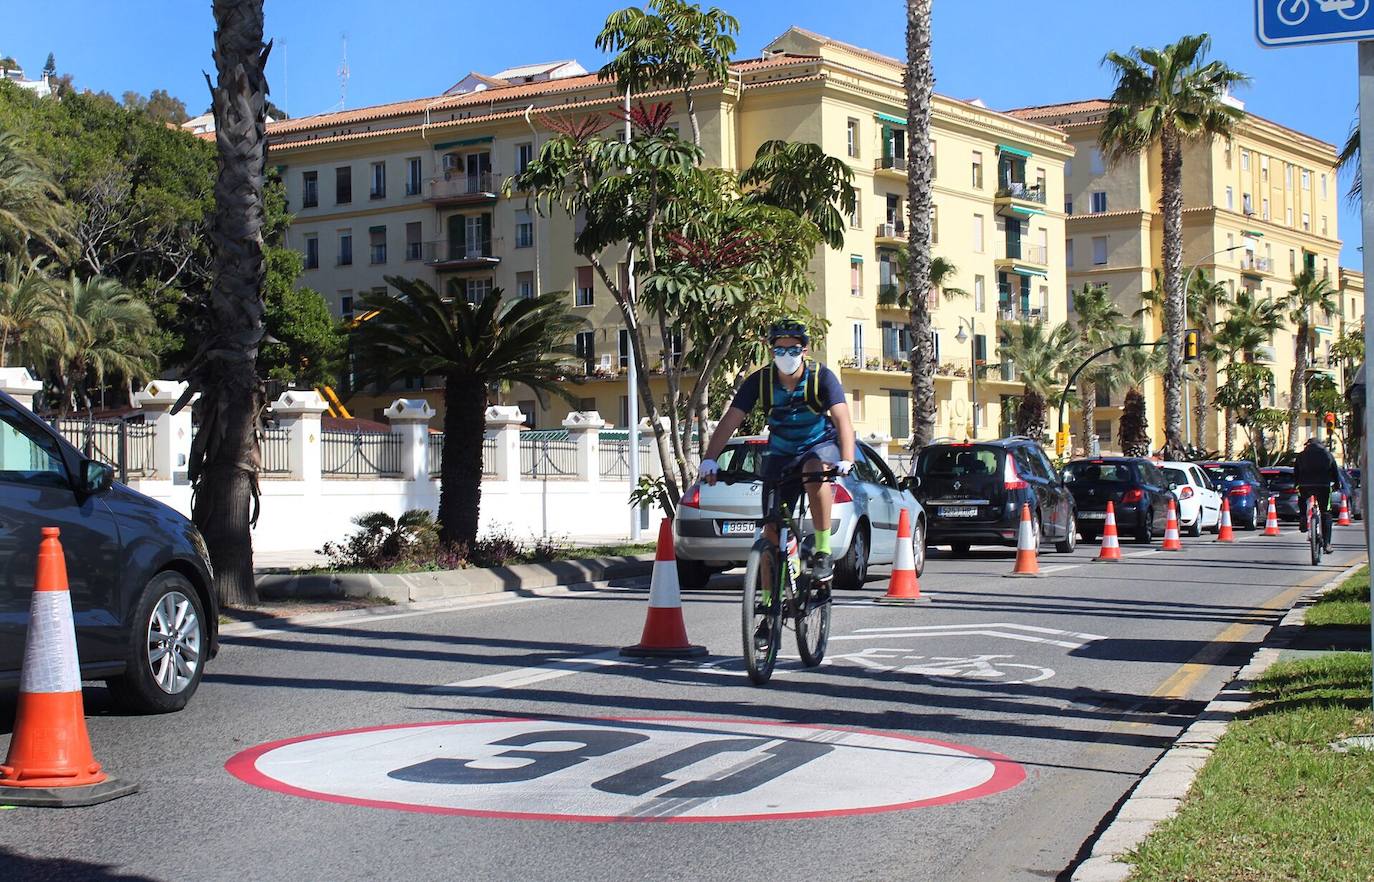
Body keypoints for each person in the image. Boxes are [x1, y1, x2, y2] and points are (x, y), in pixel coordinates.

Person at [698, 320, 856, 584]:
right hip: (781, 453)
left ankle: (823, 550)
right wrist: (710, 460)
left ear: (804, 351)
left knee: (814, 471)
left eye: (793, 350)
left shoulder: (821, 377)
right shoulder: (760, 381)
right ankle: (770, 607)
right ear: (771, 352)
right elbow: (730, 420)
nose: (786, 356)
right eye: (779, 350)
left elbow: (842, 420)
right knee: (771, 533)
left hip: (818, 445)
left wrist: (847, 459)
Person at [1294, 435, 1341, 553]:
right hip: (1323, 486)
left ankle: (1303, 518)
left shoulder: (1301, 455)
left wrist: (1297, 485)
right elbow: (1335, 471)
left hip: (1305, 485)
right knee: (1326, 513)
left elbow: (1296, 473)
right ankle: (1327, 544)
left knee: (1302, 498)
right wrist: (1336, 484)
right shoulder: (1327, 454)